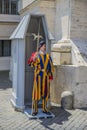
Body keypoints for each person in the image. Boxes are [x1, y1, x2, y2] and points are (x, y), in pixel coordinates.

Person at [27, 41, 54, 116]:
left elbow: (51, 66)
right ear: (40, 47)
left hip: (46, 77)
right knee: (36, 93)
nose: (44, 47)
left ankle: (44, 109)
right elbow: (30, 64)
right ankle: (35, 110)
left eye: (45, 46)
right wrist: (34, 59)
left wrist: (49, 74)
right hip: (38, 77)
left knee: (45, 93)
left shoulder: (48, 56)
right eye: (43, 46)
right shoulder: (36, 55)